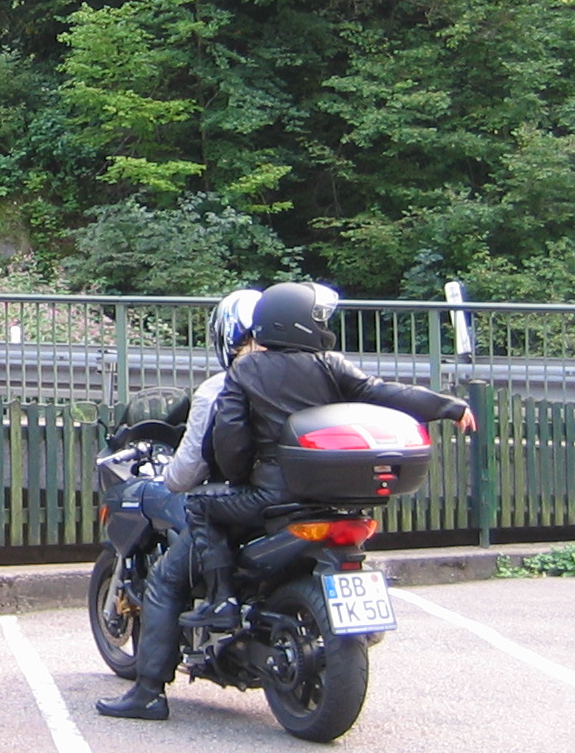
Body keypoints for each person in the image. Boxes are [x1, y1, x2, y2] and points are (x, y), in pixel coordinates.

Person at [181, 281, 474, 632]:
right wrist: (449, 406)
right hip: (331, 496)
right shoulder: (331, 364)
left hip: (274, 494)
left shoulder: (246, 369)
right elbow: (384, 392)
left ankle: (222, 601)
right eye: (316, 317)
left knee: (199, 504)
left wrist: (239, 478)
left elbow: (231, 440)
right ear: (298, 321)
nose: (322, 324)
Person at [94, 288, 259, 723]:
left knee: (165, 580)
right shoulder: (313, 378)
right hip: (295, 505)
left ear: (226, 335)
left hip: (234, 507)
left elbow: (186, 473)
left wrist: (168, 479)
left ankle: (149, 692)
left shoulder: (220, 388)